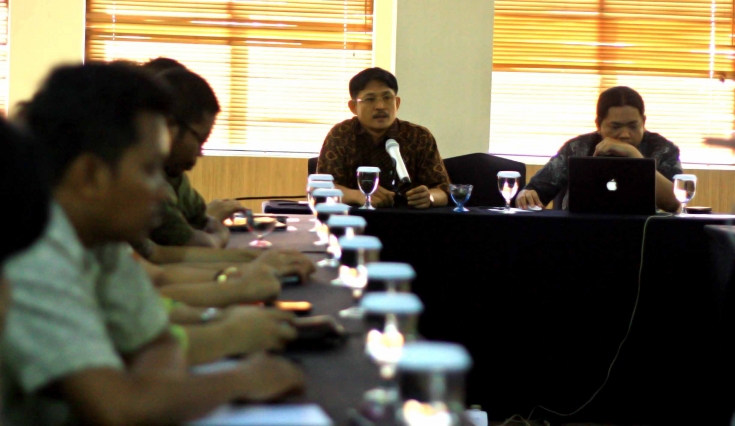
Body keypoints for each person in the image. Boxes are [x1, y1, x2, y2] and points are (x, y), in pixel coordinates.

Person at [2, 63, 303, 425]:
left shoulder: (100, 239)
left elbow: (156, 342)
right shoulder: (32, 254)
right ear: (90, 175)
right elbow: (118, 410)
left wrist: (150, 391)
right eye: (149, 170)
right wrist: (241, 380)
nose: (163, 192)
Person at [516, 86, 682, 212]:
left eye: (633, 126)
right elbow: (536, 190)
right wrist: (526, 195)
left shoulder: (662, 149)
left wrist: (635, 157)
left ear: (643, 122)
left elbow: (674, 203)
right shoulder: (577, 148)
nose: (625, 135)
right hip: (581, 232)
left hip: (644, 234)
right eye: (615, 127)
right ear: (598, 125)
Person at [316, 67, 450, 209]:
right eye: (370, 99)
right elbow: (323, 188)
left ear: (397, 103)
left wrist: (430, 197)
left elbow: (444, 190)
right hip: (354, 217)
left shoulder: (419, 136)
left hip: (408, 218)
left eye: (387, 98)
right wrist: (360, 196)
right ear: (353, 106)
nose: (380, 106)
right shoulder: (341, 134)